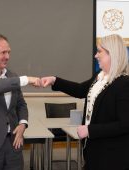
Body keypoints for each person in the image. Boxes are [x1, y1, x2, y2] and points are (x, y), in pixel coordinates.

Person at [41, 34, 129, 170]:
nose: (96, 55)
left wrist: (90, 130)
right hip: (93, 149)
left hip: (112, 155)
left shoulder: (124, 84)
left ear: (113, 54)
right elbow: (80, 90)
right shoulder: (99, 77)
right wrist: (55, 80)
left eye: (100, 51)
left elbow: (125, 124)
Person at [0, 33, 40, 170]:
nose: (7, 57)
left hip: (14, 143)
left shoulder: (11, 76)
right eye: (3, 52)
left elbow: (21, 104)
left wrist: (23, 123)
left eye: (9, 52)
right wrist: (27, 79)